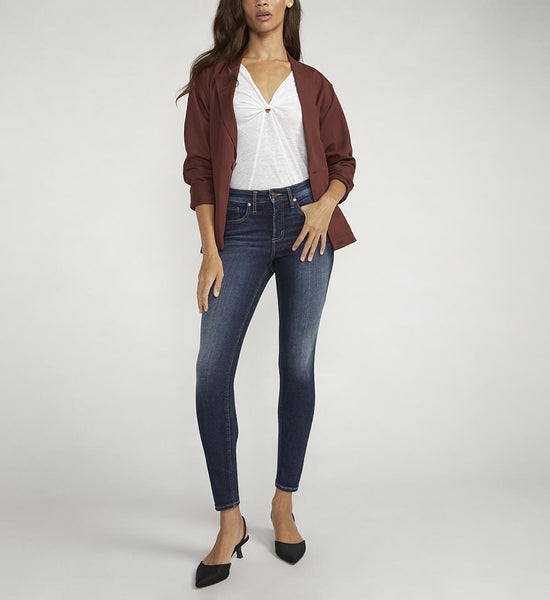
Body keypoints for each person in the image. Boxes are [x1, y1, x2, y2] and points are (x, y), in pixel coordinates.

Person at [176, 0, 357, 588]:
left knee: (297, 367)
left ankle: (283, 504)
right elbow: (200, 168)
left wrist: (324, 206)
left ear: (288, 2)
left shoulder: (313, 83)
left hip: (307, 224)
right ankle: (230, 520)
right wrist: (210, 250)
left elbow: (343, 162)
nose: (261, 0)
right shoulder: (214, 80)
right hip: (241, 229)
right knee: (211, 371)